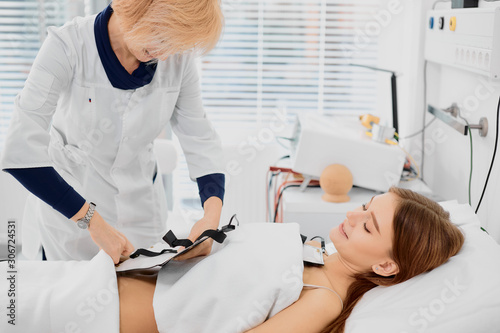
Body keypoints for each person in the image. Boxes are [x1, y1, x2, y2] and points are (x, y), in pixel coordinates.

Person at [0, 0, 225, 263]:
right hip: (71, 215)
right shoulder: (67, 46)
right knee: (77, 298)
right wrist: (93, 222)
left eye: (173, 44)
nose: (165, 56)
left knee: (142, 294)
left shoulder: (176, 58)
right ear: (138, 9)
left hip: (142, 212)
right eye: (162, 36)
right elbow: (21, 150)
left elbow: (199, 137)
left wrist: (211, 219)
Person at [116, 187, 465, 333]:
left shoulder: (324, 299)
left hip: (103, 316)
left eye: (368, 227)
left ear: (386, 266)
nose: (352, 216)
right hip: (110, 277)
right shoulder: (315, 252)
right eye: (364, 207)